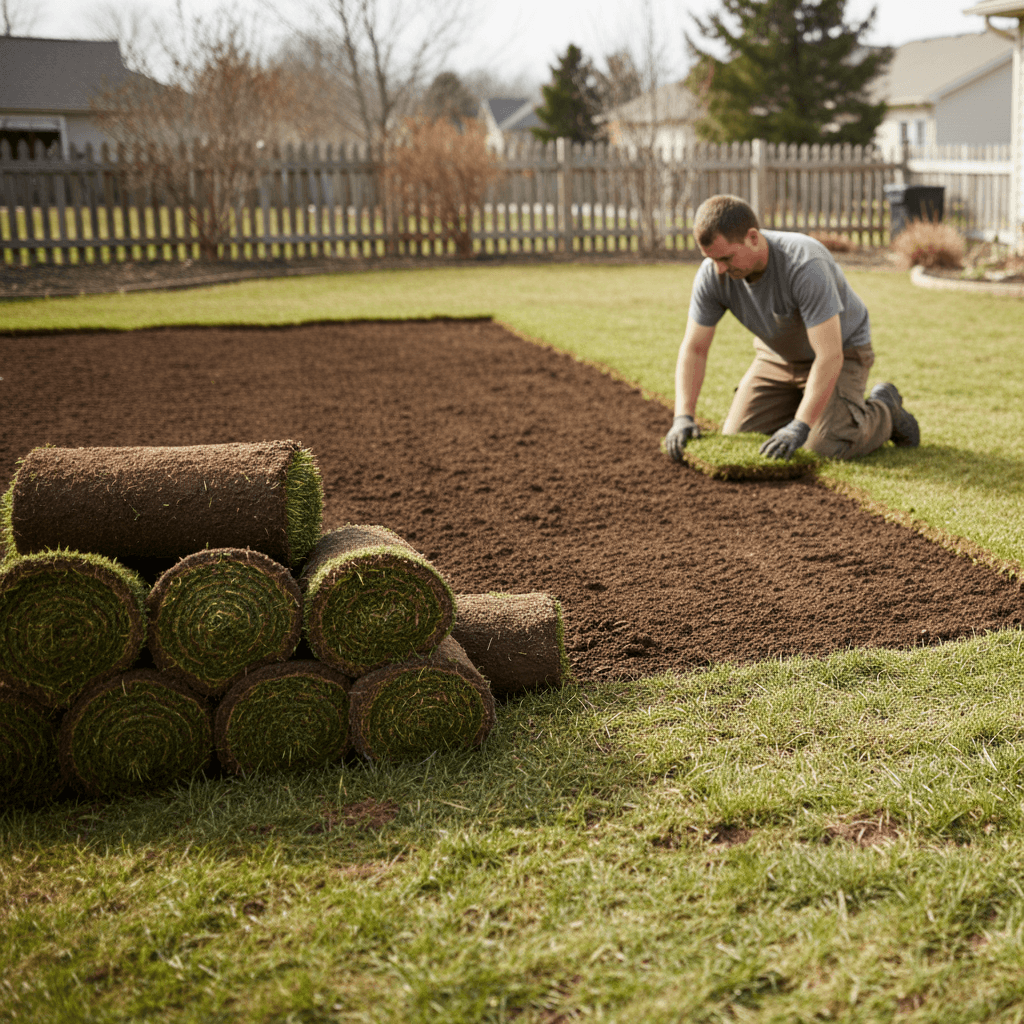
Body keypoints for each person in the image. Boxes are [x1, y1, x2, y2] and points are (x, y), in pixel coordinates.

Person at [664, 194, 920, 463]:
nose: (718, 269)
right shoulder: (713, 274)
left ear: (753, 237)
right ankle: (809, 407)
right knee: (739, 437)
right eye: (711, 259)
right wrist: (683, 416)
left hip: (842, 353)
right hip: (778, 357)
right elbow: (695, 348)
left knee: (823, 445)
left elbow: (829, 355)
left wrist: (801, 425)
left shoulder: (805, 264)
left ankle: (886, 410)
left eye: (726, 258)